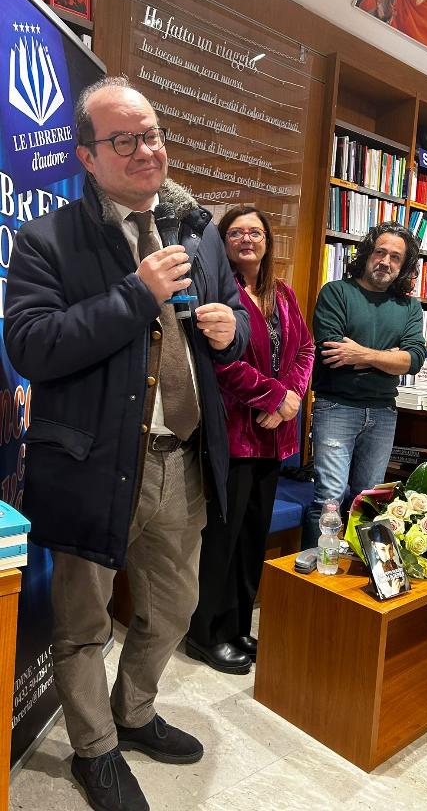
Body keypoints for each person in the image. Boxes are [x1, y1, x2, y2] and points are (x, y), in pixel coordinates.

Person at [4, 76, 249, 811]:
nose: (149, 151)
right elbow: (32, 346)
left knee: (174, 609)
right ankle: (95, 752)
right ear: (86, 154)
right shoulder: (46, 239)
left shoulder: (195, 228)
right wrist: (132, 294)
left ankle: (133, 711)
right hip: (89, 468)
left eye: (153, 134)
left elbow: (228, 315)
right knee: (81, 627)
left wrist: (230, 330)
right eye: (126, 140)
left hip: (185, 466)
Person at [186, 205, 314, 673]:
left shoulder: (282, 294)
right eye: (235, 232)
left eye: (255, 232)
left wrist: (293, 397)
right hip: (235, 436)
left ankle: (239, 625)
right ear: (221, 242)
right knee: (223, 538)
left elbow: (304, 347)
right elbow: (221, 364)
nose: (246, 239)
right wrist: (274, 397)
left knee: (253, 537)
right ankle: (206, 633)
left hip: (275, 439)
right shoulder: (218, 293)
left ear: (267, 241)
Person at [301, 223, 426, 549]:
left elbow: (414, 359)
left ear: (404, 266)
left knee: (368, 498)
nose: (385, 261)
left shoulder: (409, 307)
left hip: (384, 410)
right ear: (368, 253)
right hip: (336, 406)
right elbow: (332, 351)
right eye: (380, 252)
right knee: (329, 498)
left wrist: (360, 353)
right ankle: (317, 575)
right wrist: (388, 358)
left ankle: (359, 573)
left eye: (395, 257)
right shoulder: (337, 292)